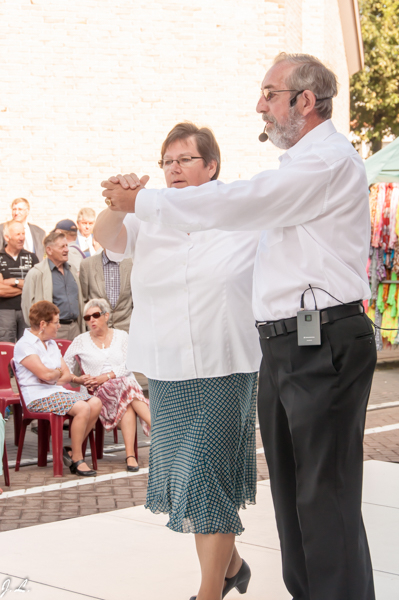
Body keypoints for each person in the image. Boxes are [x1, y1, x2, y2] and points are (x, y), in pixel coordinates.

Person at [100, 54, 377, 600]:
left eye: (269, 93)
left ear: (304, 100)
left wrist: (147, 200)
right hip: (284, 348)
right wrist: (137, 203)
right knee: (296, 497)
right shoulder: (295, 166)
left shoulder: (323, 162)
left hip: (316, 340)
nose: (260, 105)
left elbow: (243, 202)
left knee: (324, 496)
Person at [95, 122, 261, 600]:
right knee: (188, 475)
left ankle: (210, 593)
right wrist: (118, 201)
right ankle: (231, 567)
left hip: (226, 364)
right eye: (167, 161)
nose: (175, 168)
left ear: (211, 166)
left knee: (209, 471)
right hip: (168, 370)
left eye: (186, 159)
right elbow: (109, 237)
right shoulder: (147, 218)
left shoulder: (239, 213)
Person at [13, 300, 102, 476]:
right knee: (83, 406)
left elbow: (66, 375)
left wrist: (53, 374)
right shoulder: (25, 345)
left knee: (96, 402)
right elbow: (45, 376)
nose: (59, 326)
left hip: (55, 392)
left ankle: (69, 450)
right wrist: (55, 373)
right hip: (37, 397)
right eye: (56, 322)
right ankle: (77, 459)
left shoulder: (51, 343)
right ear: (43, 324)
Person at [64, 298, 150, 471]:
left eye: (95, 315)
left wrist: (108, 376)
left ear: (106, 315)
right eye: (87, 318)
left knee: (126, 396)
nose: (92, 320)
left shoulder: (122, 336)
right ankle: (155, 427)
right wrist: (78, 379)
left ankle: (131, 456)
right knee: (127, 387)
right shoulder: (80, 340)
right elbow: (64, 367)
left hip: (123, 388)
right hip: (95, 391)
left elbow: (129, 363)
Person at [21, 231, 84, 341]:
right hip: (52, 330)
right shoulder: (36, 273)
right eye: (62, 247)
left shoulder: (71, 269)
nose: (67, 249)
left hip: (75, 328)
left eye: (66, 246)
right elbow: (27, 308)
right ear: (49, 250)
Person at [0, 221, 39, 342]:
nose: (22, 237)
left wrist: (14, 281)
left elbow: (37, 285)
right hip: (5, 311)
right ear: (7, 237)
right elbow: (1, 290)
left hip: (28, 310)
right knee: (6, 347)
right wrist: (26, 286)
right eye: (18, 234)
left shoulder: (32, 257)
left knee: (28, 346)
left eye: (23, 233)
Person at [79, 250, 133, 332]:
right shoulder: (87, 265)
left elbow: (135, 300)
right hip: (98, 331)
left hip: (126, 329)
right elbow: (83, 300)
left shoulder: (131, 264)